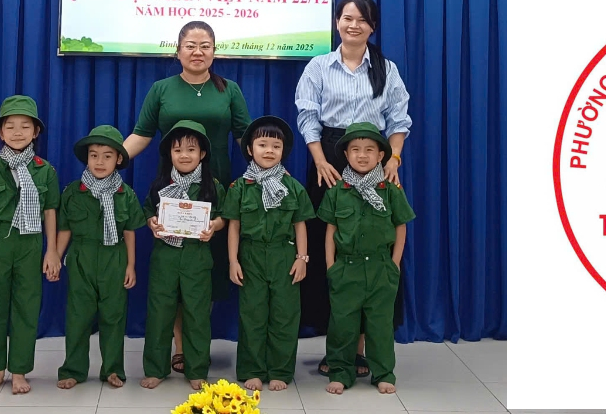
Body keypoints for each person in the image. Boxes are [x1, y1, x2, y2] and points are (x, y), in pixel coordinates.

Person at [295, 0, 412, 377]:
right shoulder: (318, 66)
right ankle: (336, 348)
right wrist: (320, 161)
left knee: (371, 243)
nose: (353, 25)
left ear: (372, 27)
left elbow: (399, 120)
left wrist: (393, 159)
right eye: (347, 18)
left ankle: (361, 350)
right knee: (329, 246)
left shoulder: (386, 69)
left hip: (374, 158)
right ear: (337, 22)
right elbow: (308, 117)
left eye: (362, 20)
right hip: (328, 159)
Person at [124, 21, 250, 371]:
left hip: (214, 189)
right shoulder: (161, 89)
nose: (198, 52)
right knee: (174, 269)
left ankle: (195, 346)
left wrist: (267, 169)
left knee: (204, 272)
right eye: (191, 45)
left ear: (214, 51)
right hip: (171, 190)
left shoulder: (230, 90)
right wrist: (111, 160)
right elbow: (141, 134)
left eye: (205, 45)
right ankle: (180, 348)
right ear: (177, 50)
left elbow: (246, 138)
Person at [0, 95, 62, 395]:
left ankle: (19, 371)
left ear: (36, 132)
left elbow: (50, 213)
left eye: (25, 126)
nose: (17, 132)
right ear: (0, 132)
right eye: (10, 126)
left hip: (30, 243)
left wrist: (52, 250)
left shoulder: (45, 170)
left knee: (26, 306)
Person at [319, 123, 414, 395]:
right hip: (346, 267)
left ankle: (383, 373)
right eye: (356, 150)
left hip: (381, 268)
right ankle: (340, 372)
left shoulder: (391, 189)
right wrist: (331, 266)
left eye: (369, 150)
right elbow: (330, 231)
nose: (362, 155)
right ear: (346, 155)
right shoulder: (338, 190)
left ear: (381, 155)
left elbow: (400, 226)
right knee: (342, 324)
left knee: (380, 325)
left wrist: (394, 263)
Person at [224, 115, 314, 392]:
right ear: (250, 149)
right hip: (250, 256)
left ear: (283, 151)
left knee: (285, 316)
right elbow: (234, 226)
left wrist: (302, 258)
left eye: (276, 146)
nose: (269, 151)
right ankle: (252, 369)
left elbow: (300, 225)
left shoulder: (293, 187)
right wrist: (233, 261)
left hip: (284, 256)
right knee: (252, 315)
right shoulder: (240, 187)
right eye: (262, 144)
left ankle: (280, 370)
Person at [56, 125, 144, 390]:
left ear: (118, 159)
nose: (100, 161)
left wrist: (131, 265)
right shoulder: (73, 191)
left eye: (107, 156)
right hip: (81, 257)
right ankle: (73, 369)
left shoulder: (126, 194)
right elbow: (65, 228)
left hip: (114, 258)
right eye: (94, 155)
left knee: (113, 316)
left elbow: (129, 232)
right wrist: (56, 257)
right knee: (78, 316)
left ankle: (113, 370)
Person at [140, 120, 225, 390]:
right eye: (178, 150)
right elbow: (147, 210)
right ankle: (156, 368)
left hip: (196, 256)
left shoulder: (212, 186)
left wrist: (214, 226)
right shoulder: (159, 185)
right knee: (159, 313)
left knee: (197, 315)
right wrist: (152, 222)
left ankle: (196, 369)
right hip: (165, 256)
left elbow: (225, 215)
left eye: (191, 149)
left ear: (202, 154)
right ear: (170, 154)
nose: (184, 155)